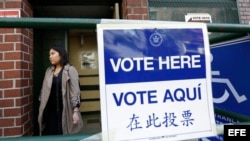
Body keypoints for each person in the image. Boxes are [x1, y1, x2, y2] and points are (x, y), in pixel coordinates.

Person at [38, 46, 83, 135]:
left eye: (53, 53)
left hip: (64, 111)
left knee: (63, 133)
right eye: (49, 54)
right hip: (49, 112)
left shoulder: (70, 70)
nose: (50, 56)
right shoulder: (49, 71)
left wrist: (75, 111)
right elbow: (43, 91)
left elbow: (75, 92)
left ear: (61, 54)